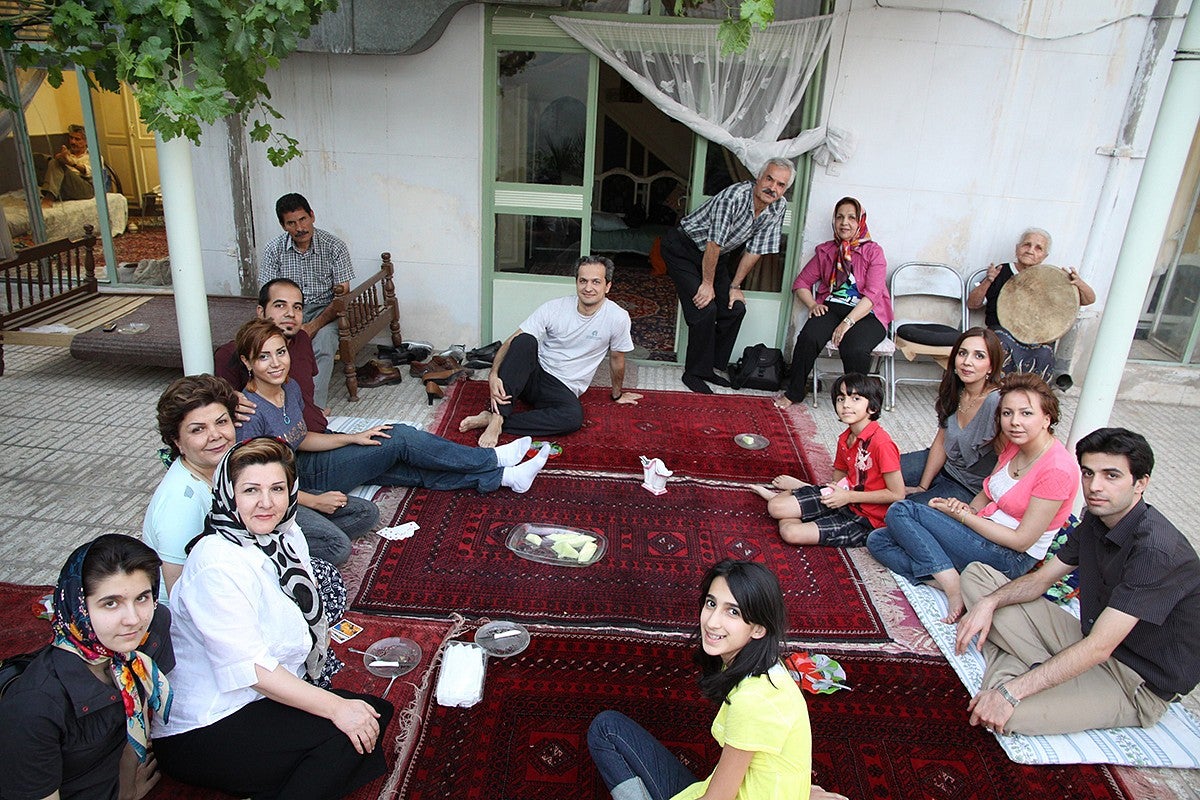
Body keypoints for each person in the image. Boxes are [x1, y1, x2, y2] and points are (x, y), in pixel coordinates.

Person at [153, 439, 393, 798]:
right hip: (206, 724)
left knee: (374, 714)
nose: (267, 503)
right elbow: (250, 669)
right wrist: (335, 707)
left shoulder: (285, 534)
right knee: (347, 735)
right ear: (228, 494)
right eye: (251, 490)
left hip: (256, 699)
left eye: (277, 489)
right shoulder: (216, 562)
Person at [956, 428, 1200, 736]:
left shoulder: (1156, 550)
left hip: (1133, 680)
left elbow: (1100, 648)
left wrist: (1010, 692)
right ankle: (1039, 667)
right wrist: (989, 604)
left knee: (1010, 716)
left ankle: (1020, 669)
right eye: (1088, 473)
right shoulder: (1096, 520)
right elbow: (1041, 580)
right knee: (979, 577)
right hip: (1086, 638)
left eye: (1111, 476)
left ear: (1141, 483)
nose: (1095, 487)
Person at [587, 559, 845, 800]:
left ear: (758, 628)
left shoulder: (752, 701)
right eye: (711, 604)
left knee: (605, 730)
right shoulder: (772, 670)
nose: (711, 622)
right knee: (608, 726)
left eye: (732, 612)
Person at [234, 318, 552, 496]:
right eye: (264, 357)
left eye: (280, 353)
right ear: (247, 361)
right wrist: (311, 502)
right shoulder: (249, 413)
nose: (276, 363)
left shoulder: (288, 387)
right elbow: (254, 484)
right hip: (304, 479)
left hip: (316, 457)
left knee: (412, 470)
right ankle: (494, 457)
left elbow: (300, 437)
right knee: (399, 437)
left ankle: (506, 477)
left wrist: (352, 437)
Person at [868, 373, 1079, 623]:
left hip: (1009, 558)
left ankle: (953, 586)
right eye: (1007, 413)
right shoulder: (1015, 445)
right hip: (983, 534)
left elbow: (1021, 541)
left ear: (1047, 418)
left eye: (1026, 413)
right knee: (879, 540)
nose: (1014, 422)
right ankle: (953, 579)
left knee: (902, 511)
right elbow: (987, 492)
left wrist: (964, 517)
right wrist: (966, 508)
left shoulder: (1056, 469)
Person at [144, 373, 375, 575]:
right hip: (231, 575)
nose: (215, 435)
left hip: (258, 526)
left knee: (365, 512)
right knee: (336, 547)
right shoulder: (181, 504)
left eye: (221, 422)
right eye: (198, 429)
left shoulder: (230, 460)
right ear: (177, 442)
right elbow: (181, 593)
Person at [0, 534, 173, 800]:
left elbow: (134, 713)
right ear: (76, 606)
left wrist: (127, 789)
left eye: (142, 597)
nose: (134, 619)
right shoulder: (35, 707)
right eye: (111, 603)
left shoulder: (147, 636)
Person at [458, 256, 641, 447]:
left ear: (607, 286)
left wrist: (617, 394)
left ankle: (494, 420)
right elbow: (511, 341)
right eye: (583, 281)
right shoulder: (555, 308)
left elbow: (617, 358)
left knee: (572, 418)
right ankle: (497, 417)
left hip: (563, 388)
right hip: (532, 375)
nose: (588, 288)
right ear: (576, 282)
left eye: (596, 282)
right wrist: (493, 375)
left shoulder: (617, 317)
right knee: (525, 340)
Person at [662, 158, 794, 394]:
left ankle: (710, 367)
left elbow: (756, 250)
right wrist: (707, 284)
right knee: (705, 308)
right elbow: (713, 244)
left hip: (717, 256)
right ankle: (693, 372)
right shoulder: (734, 197)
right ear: (759, 177)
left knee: (735, 309)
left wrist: (734, 285)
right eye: (769, 179)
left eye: (781, 185)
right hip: (683, 248)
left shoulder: (778, 206)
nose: (773, 188)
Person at [752, 374, 903, 548]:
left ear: (873, 407)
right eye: (841, 398)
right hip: (842, 497)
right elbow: (839, 476)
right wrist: (833, 493)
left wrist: (848, 496)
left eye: (855, 398)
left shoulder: (882, 443)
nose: (846, 405)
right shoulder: (845, 438)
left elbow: (897, 494)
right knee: (775, 507)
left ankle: (801, 492)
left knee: (790, 533)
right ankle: (802, 492)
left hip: (867, 519)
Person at [776, 197, 892, 408]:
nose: (844, 222)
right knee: (809, 337)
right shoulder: (826, 251)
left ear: (860, 222)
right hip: (832, 307)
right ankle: (794, 392)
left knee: (854, 347)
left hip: (867, 313)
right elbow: (801, 283)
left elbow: (873, 295)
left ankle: (855, 399)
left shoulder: (873, 252)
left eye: (851, 217)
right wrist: (812, 304)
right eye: (839, 217)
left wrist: (847, 322)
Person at [260, 193, 355, 409]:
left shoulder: (334, 246)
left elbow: (342, 296)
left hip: (326, 310)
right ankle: (273, 402)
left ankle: (313, 408)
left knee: (323, 343)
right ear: (283, 226)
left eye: (303, 219)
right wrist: (284, 319)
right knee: (271, 344)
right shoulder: (273, 250)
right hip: (286, 310)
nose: (299, 228)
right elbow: (267, 294)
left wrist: (312, 325)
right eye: (291, 223)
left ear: (312, 216)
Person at [966, 228, 1096, 380]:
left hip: (1037, 338)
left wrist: (1078, 283)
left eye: (1038, 248)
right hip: (1002, 332)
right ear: (1017, 248)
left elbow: (1089, 299)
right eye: (1026, 245)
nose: (1030, 250)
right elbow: (972, 304)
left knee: (1044, 353)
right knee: (1002, 344)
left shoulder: (1052, 278)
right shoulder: (1001, 271)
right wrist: (988, 281)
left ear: (1044, 256)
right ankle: (997, 392)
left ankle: (1032, 399)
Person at [901, 327, 1004, 505]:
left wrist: (977, 509)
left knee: (902, 510)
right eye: (962, 353)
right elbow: (941, 441)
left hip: (968, 487)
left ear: (991, 366)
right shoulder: (956, 389)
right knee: (877, 473)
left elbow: (1006, 461)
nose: (967, 362)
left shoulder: (997, 402)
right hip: (945, 466)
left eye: (979, 356)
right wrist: (922, 487)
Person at [39, 124, 96, 204]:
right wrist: (59, 159)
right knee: (40, 159)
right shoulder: (66, 153)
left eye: (77, 139)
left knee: (56, 163)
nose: (73, 142)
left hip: (85, 189)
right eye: (71, 138)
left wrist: (71, 163)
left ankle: (49, 198)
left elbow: (89, 172)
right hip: (67, 186)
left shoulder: (94, 156)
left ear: (86, 141)